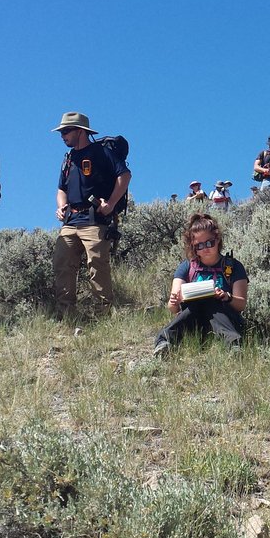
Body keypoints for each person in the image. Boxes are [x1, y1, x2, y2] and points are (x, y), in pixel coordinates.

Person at [52, 112, 132, 315]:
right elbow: (61, 188)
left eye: (66, 131)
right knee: (62, 265)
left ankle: (103, 313)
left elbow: (124, 175)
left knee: (97, 265)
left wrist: (111, 203)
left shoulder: (101, 152)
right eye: (61, 131)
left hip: (95, 221)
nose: (63, 135)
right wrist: (61, 206)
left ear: (80, 131)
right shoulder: (68, 158)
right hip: (70, 222)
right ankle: (67, 314)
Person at [154, 212, 248, 356]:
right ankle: (164, 342)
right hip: (194, 320)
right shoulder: (186, 267)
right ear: (192, 246)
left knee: (211, 301)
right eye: (199, 245)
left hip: (224, 319)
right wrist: (174, 300)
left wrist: (226, 296)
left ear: (217, 240)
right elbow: (173, 308)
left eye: (209, 243)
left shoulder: (233, 266)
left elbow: (241, 304)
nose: (205, 248)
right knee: (195, 304)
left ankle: (234, 345)